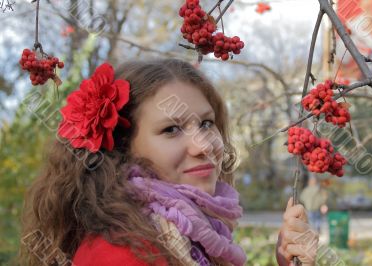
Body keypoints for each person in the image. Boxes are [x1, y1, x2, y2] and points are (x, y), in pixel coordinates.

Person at [20, 59, 318, 266]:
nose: (204, 146)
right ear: (123, 151)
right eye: (171, 129)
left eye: (206, 123)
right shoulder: (124, 252)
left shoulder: (187, 234)